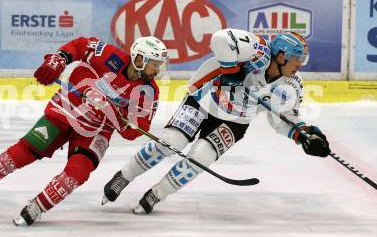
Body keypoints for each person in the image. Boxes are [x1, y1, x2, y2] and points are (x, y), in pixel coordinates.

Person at [101, 29, 331, 214]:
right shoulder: (257, 50)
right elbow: (221, 38)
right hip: (203, 101)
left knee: (200, 157)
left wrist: (305, 135)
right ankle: (124, 176)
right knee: (169, 141)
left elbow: (285, 118)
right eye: (296, 59)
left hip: (235, 122)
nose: (299, 65)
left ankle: (156, 194)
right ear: (280, 55)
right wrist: (232, 68)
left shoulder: (291, 85)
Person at [0, 35, 168, 225]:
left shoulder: (148, 92)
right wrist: (57, 61)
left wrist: (119, 113)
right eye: (155, 64)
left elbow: (133, 132)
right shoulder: (110, 56)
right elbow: (80, 45)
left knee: (78, 172)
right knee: (24, 152)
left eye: (160, 64)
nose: (158, 70)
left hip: (96, 131)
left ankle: (38, 206)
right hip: (66, 110)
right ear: (139, 59)